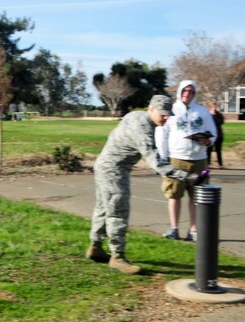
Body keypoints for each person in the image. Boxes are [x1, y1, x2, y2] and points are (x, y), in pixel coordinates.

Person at [86, 95, 199, 275]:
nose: (166, 117)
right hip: (114, 169)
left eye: (169, 114)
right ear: (151, 109)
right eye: (163, 114)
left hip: (104, 165)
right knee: (118, 211)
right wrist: (185, 176)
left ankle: (95, 247)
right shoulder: (143, 128)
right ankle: (117, 256)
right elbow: (155, 162)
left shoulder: (136, 116)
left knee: (103, 207)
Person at [156, 80, 217, 242]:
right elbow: (163, 133)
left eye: (191, 91)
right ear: (180, 91)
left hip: (199, 160)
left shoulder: (202, 111)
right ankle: (174, 228)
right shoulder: (171, 110)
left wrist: (208, 141)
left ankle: (194, 229)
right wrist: (163, 157)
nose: (187, 94)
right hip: (177, 158)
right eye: (184, 90)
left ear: (195, 93)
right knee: (174, 194)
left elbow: (213, 132)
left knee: (196, 196)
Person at [207, 101, 225, 169]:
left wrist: (214, 115)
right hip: (210, 135)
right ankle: (208, 164)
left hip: (219, 135)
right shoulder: (208, 115)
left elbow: (220, 122)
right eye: (212, 107)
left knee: (218, 150)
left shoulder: (219, 114)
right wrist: (212, 115)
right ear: (210, 107)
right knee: (209, 150)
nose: (214, 108)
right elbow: (208, 123)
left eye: (215, 107)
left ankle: (220, 164)